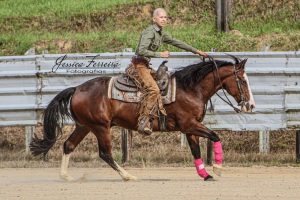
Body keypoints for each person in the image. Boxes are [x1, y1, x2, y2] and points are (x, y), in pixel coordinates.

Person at [127, 8, 208, 135]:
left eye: (165, 17)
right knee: (153, 89)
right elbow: (141, 50)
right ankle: (144, 121)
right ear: (154, 19)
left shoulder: (161, 33)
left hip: (146, 65)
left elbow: (177, 42)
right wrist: (160, 54)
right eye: (161, 17)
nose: (164, 19)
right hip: (139, 65)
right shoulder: (149, 32)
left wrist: (196, 51)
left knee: (164, 83)